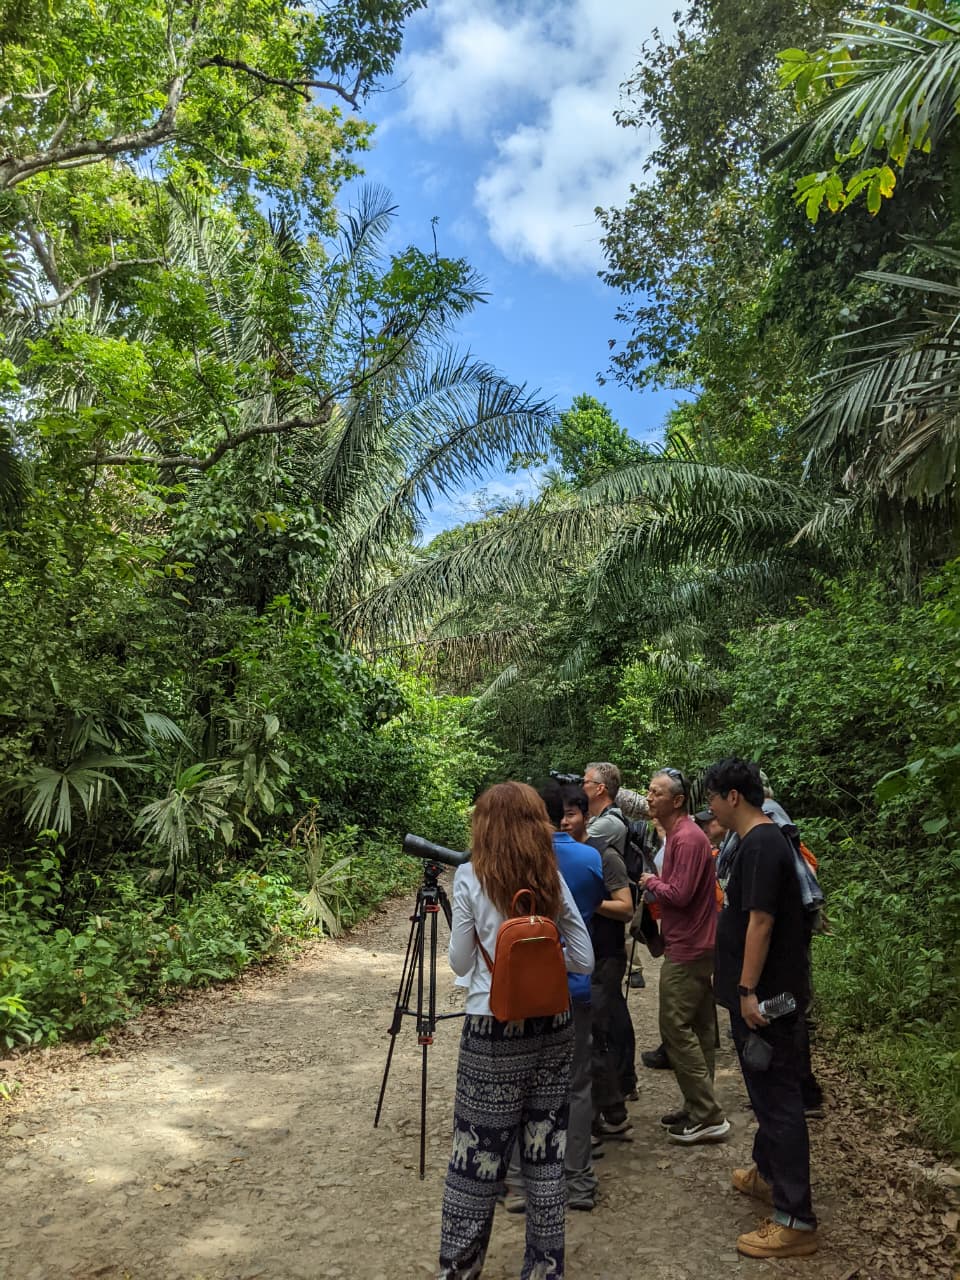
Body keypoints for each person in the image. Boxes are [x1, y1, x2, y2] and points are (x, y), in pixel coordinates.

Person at [438, 781, 594, 1280]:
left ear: (483, 827)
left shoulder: (468, 876)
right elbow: (585, 959)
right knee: (545, 1155)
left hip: (492, 1029)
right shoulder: (549, 876)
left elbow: (461, 961)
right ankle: (545, 1269)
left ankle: (459, 1269)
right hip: (555, 1025)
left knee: (476, 1157)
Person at [704, 758, 819, 1260]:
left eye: (711, 796)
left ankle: (795, 1219)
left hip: (767, 1002)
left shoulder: (762, 844)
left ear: (734, 797)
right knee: (768, 1094)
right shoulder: (757, 842)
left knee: (778, 1102)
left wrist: (747, 990)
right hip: (759, 998)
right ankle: (768, 1176)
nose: (707, 806)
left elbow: (761, 923)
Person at [504, 781, 605, 1213]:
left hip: (516, 994)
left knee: (517, 1082)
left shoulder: (499, 867)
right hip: (571, 989)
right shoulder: (587, 857)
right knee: (576, 1085)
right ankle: (577, 1182)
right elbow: (587, 941)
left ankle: (518, 1181)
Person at [639, 768, 730, 1144]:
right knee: (701, 1027)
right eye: (648, 791)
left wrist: (650, 882)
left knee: (674, 1026)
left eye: (656, 792)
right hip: (693, 942)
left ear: (677, 800)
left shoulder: (688, 838)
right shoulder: (678, 835)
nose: (649, 798)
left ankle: (707, 1114)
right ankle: (697, 1105)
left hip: (690, 946)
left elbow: (679, 893)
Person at [579, 766, 637, 1127]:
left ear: (600, 789)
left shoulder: (607, 830)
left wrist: (589, 901)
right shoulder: (600, 825)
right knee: (611, 1015)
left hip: (607, 945)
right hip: (600, 945)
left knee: (603, 1021)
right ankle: (619, 1090)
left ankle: (613, 1098)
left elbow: (625, 907)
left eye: (585, 782)